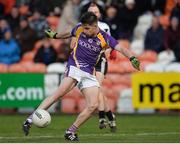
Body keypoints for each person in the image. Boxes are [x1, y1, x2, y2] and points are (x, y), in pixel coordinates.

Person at [22, 12, 140, 141]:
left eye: (87, 28)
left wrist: (132, 58)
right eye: (83, 27)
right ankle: (29, 120)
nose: (84, 30)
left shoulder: (105, 38)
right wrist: (55, 35)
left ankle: (70, 131)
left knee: (93, 105)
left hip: (89, 72)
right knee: (59, 94)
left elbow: (121, 48)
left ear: (95, 26)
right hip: (75, 66)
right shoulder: (80, 28)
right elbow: (68, 33)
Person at [75, 3, 117, 132]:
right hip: (88, 62)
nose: (94, 14)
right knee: (97, 90)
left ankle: (102, 116)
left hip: (100, 60)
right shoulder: (82, 26)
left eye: (96, 12)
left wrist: (110, 52)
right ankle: (110, 115)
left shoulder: (104, 26)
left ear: (100, 14)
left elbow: (108, 44)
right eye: (91, 11)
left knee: (96, 87)